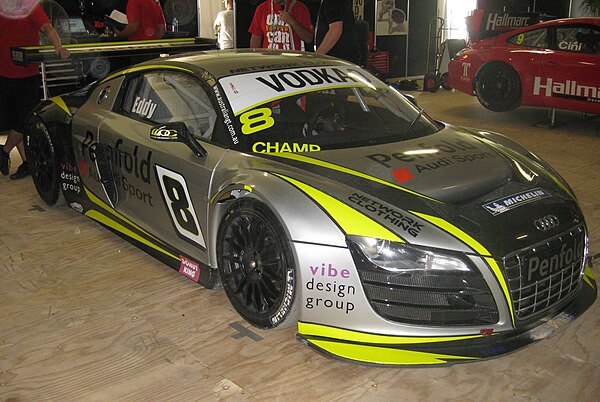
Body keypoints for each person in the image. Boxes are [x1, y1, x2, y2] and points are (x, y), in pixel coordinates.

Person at [0, 0, 70, 179]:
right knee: (17, 120)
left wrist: (59, 47)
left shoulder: (29, 6)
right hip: (5, 73)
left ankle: (5, 152)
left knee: (23, 120)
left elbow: (48, 28)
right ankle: (27, 163)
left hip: (25, 73)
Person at [249, 0, 313, 51]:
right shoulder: (261, 9)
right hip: (269, 60)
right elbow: (255, 40)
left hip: (293, 61)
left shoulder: (300, 8)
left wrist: (292, 22)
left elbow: (309, 39)